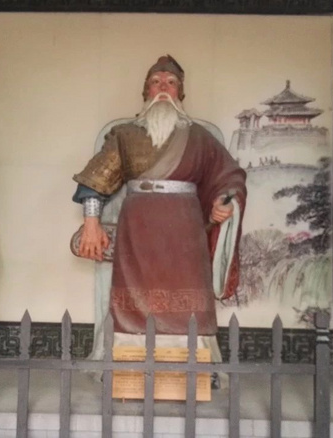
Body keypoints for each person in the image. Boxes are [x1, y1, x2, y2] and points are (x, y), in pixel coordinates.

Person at [72, 55, 246, 361]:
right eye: (156, 82)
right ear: (146, 91)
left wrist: (223, 202)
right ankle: (129, 363)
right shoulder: (124, 135)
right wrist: (91, 223)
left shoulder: (200, 137)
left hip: (185, 231)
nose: (163, 88)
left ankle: (194, 365)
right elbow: (94, 180)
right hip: (138, 229)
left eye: (171, 82)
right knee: (132, 301)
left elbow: (227, 176)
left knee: (190, 303)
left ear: (180, 93)